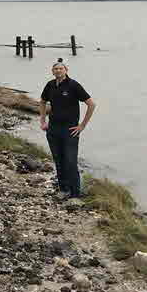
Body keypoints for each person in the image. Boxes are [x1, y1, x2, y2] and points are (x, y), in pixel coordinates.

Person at [39, 58, 96, 200]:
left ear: (66, 71)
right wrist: (42, 120)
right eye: (56, 69)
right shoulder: (50, 85)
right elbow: (42, 101)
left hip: (70, 130)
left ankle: (76, 193)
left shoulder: (73, 85)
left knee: (70, 161)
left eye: (61, 68)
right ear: (52, 72)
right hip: (52, 129)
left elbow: (91, 104)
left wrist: (82, 126)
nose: (58, 71)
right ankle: (63, 189)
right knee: (58, 160)